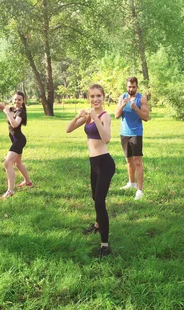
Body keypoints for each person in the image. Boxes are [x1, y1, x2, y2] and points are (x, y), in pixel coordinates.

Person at [66, 84, 115, 258]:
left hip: (105, 163)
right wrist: (78, 116)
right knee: (95, 197)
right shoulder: (88, 116)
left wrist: (95, 117)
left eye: (99, 96)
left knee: (99, 202)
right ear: (89, 98)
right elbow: (68, 129)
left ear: (103, 97)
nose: (95, 99)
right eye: (92, 96)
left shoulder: (105, 116)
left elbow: (107, 138)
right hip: (93, 163)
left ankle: (105, 245)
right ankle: (96, 224)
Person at [115, 77, 149, 200]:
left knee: (137, 162)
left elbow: (146, 117)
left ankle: (139, 190)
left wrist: (136, 108)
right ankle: (131, 183)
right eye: (129, 86)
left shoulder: (142, 99)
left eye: (133, 87)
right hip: (124, 133)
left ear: (137, 87)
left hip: (136, 133)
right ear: (126, 87)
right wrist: (122, 105)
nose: (131, 89)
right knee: (128, 160)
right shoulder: (122, 97)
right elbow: (116, 115)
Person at [0, 91, 33, 199]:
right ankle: (28, 182)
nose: (17, 101)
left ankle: (10, 191)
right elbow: (4, 108)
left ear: (23, 101)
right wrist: (2, 107)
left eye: (19, 100)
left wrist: (7, 112)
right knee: (17, 164)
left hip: (19, 140)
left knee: (8, 163)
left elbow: (15, 124)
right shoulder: (13, 109)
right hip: (15, 140)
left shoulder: (21, 112)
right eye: (15, 99)